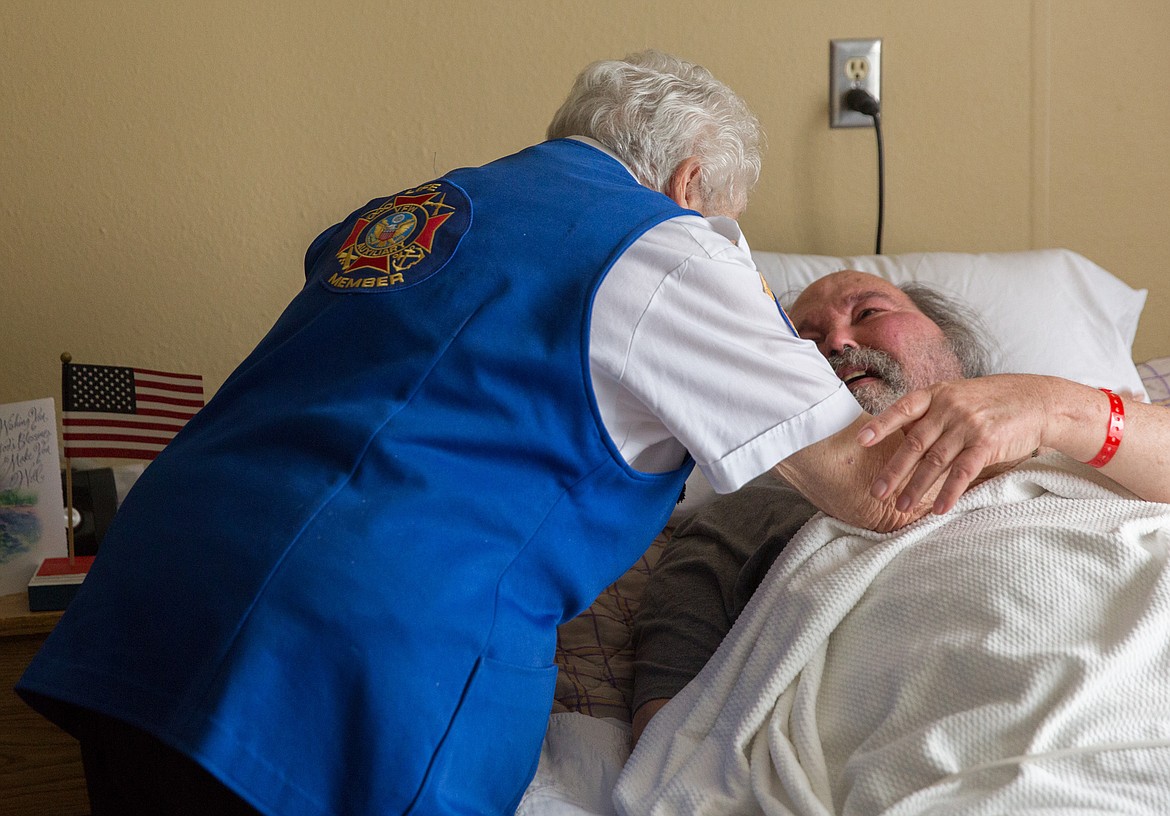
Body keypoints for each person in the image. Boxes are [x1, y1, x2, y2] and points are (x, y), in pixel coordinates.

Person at [16, 53, 926, 816]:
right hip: (348, 663)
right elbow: (872, 487)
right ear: (692, 183)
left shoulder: (408, 211)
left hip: (151, 589)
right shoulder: (675, 251)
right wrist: (1061, 406)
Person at [631, 269, 1170, 746]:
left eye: (868, 313)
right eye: (804, 342)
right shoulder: (747, 508)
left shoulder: (1083, 416)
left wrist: (1055, 409)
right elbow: (666, 725)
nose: (838, 342)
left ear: (950, 345)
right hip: (967, 727)